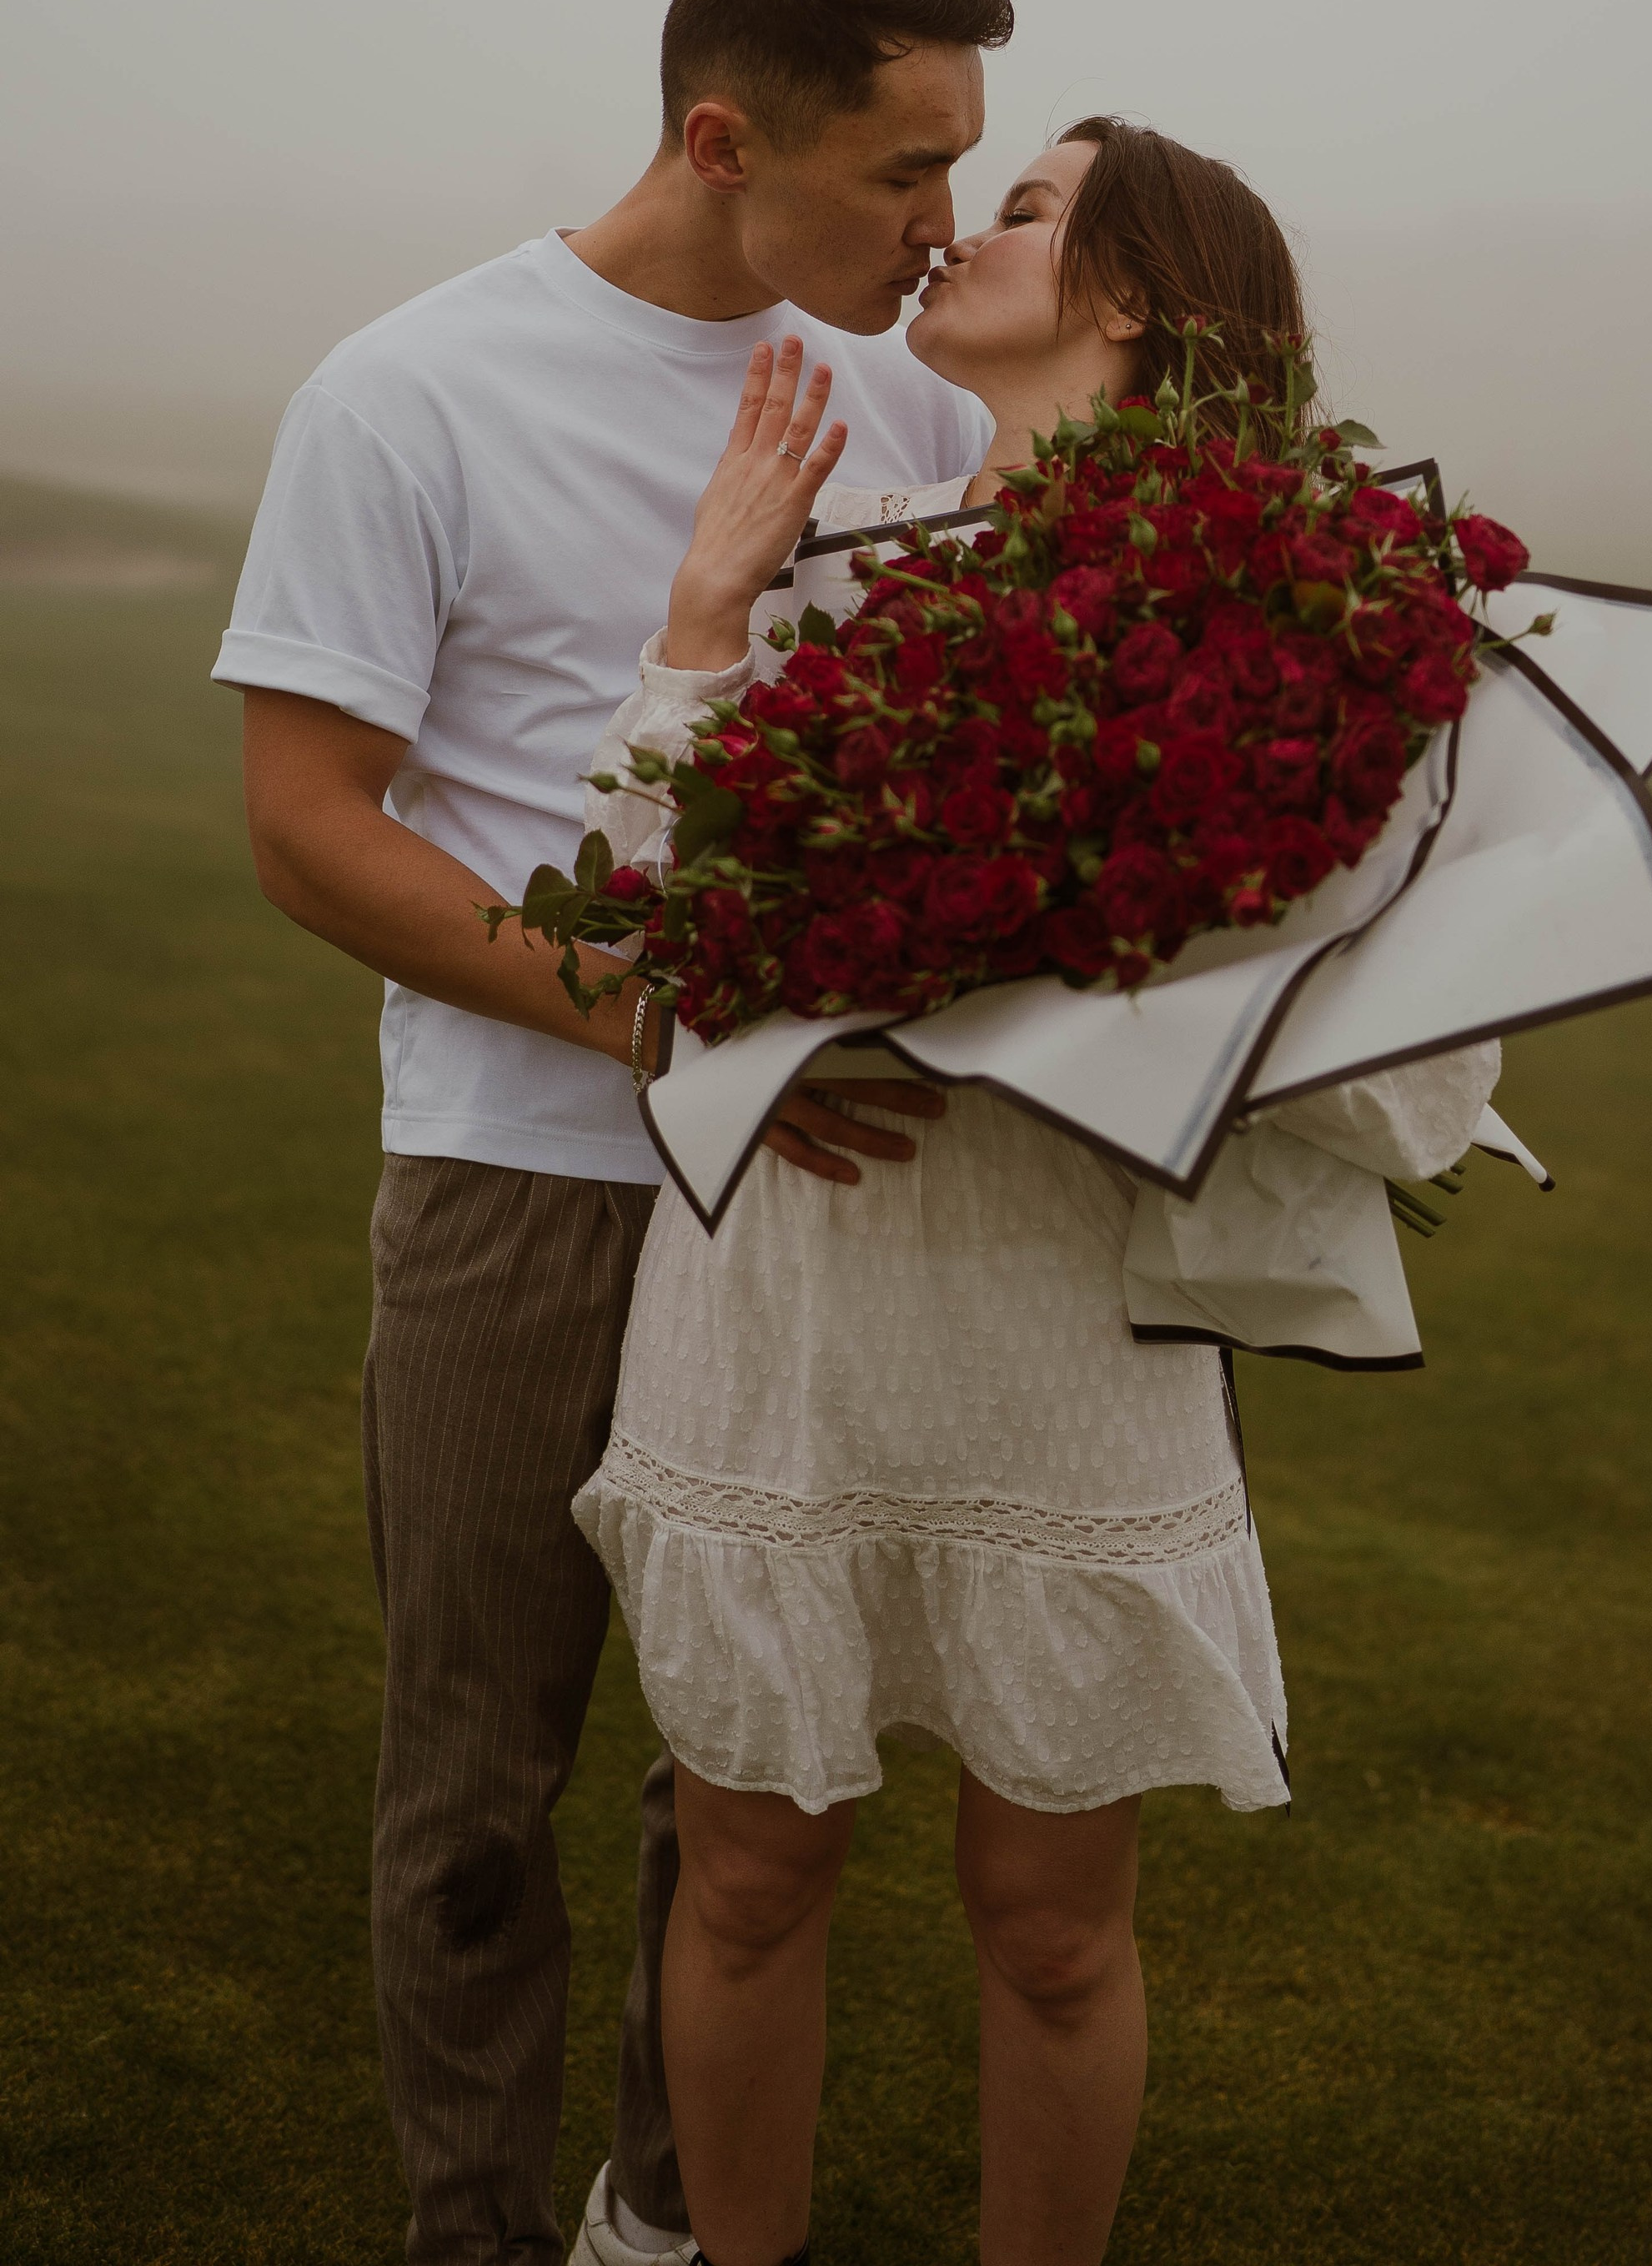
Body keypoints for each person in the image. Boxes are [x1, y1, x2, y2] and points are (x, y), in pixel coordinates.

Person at [213, 0, 1012, 2266]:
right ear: (717, 134)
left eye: (962, 166)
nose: (937, 226)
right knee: (474, 1786)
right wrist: (652, 1019)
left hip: (809, 1196)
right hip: (517, 1181)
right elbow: (305, 830)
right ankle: (475, 2235)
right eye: (901, 171)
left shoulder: (921, 406)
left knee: (750, 1791)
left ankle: (659, 2230)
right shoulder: (408, 390)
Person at [575, 122, 1316, 2266]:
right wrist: (712, 602)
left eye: (1020, 208)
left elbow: (1307, 972)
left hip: (1057, 1307)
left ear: (1133, 298)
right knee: (744, 1868)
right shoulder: (841, 547)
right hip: (785, 1294)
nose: (954, 232)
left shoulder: (1262, 600)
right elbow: (637, 904)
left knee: (1055, 1921)